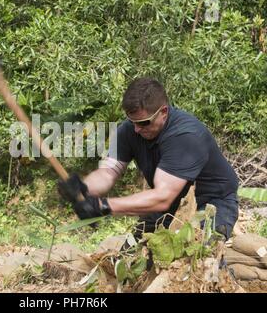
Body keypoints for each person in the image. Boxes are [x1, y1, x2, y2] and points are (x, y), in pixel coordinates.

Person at [58, 77, 239, 241]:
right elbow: (108, 172)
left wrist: (104, 206)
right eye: (132, 121)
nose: (137, 129)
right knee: (131, 260)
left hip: (211, 204)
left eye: (144, 123)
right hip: (169, 207)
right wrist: (85, 187)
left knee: (198, 260)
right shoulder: (129, 130)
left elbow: (162, 197)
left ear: (164, 112)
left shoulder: (186, 136)